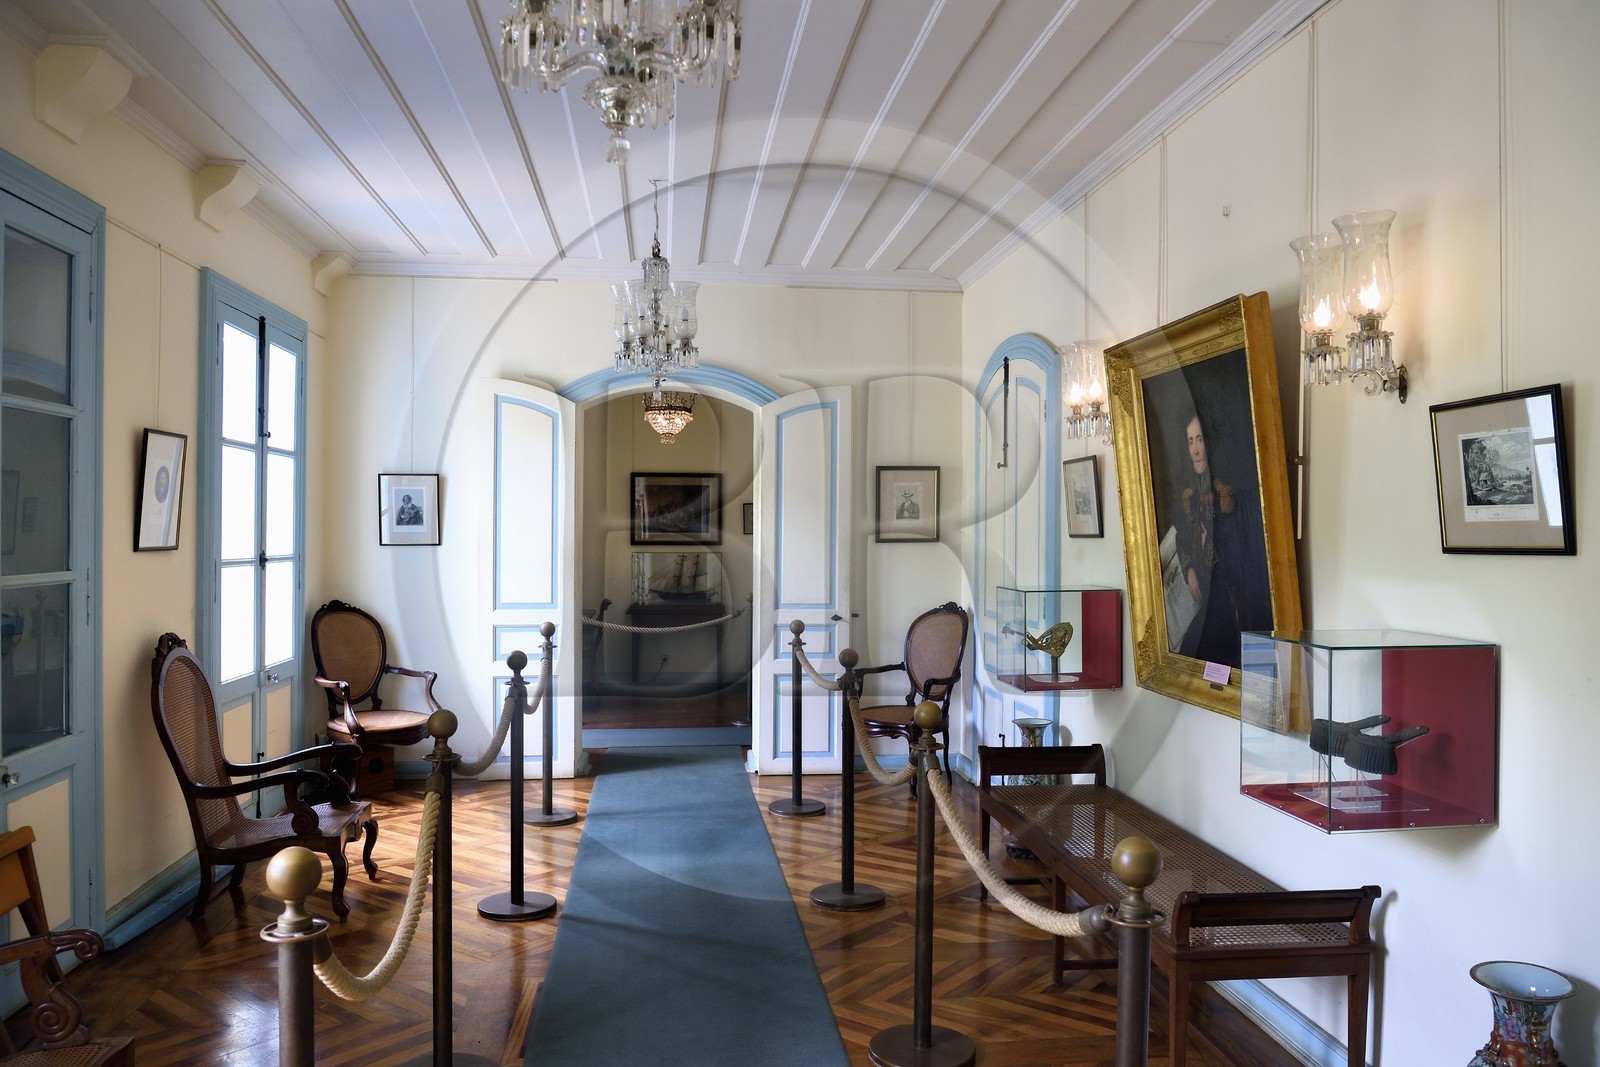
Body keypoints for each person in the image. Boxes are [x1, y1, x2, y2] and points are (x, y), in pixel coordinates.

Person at [1167, 409, 1272, 667]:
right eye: (1190, 441)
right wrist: (1189, 568)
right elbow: (1181, 536)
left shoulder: (1224, 485)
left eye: (1200, 439)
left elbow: (1238, 537)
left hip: (1228, 582)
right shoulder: (1188, 490)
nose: (1195, 448)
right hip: (1201, 580)